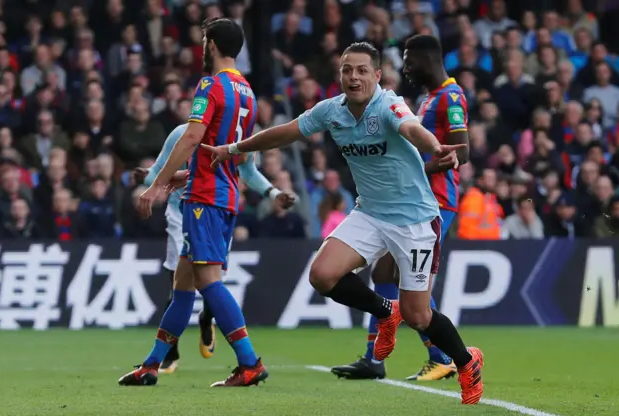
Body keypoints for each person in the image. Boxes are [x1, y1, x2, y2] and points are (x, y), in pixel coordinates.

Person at [202, 40, 484, 404]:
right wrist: (234, 149)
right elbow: (286, 131)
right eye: (347, 70)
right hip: (369, 213)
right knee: (322, 275)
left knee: (418, 315)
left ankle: (466, 362)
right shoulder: (331, 111)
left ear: (377, 76)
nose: (353, 77)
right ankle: (385, 312)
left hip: (415, 219)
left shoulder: (388, 103)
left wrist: (435, 146)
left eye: (362, 70)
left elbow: (413, 129)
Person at [119, 17, 271, 387]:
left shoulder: (211, 84)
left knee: (207, 282)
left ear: (213, 45)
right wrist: (183, 176)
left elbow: (191, 138)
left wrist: (156, 186)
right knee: (184, 285)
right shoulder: (247, 91)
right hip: (223, 192)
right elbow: (228, 153)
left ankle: (250, 362)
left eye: (204, 41)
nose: (202, 48)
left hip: (205, 199)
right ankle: (152, 364)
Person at [331, 34, 471, 382]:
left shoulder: (451, 96)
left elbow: (462, 151)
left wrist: (412, 173)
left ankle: (443, 357)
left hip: (431, 201)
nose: (406, 67)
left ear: (428, 58)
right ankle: (374, 358)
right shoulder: (429, 98)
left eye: (410, 59)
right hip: (406, 199)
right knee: (382, 275)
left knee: (407, 291)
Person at [132, 123, 295, 374]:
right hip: (182, 213)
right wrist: (153, 176)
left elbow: (248, 171)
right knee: (183, 282)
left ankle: (209, 324)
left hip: (216, 212)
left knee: (207, 283)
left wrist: (272, 193)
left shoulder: (239, 139)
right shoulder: (181, 134)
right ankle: (165, 357)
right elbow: (157, 175)